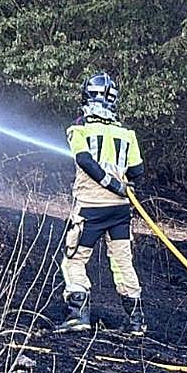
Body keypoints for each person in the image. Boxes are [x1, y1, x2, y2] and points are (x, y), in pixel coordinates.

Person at [55, 71, 146, 335]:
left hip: (90, 208)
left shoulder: (78, 130)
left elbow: (84, 160)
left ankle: (77, 315)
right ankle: (137, 321)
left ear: (86, 97)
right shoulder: (127, 135)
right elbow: (137, 172)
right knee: (122, 262)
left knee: (74, 259)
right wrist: (118, 182)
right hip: (120, 211)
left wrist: (106, 181)